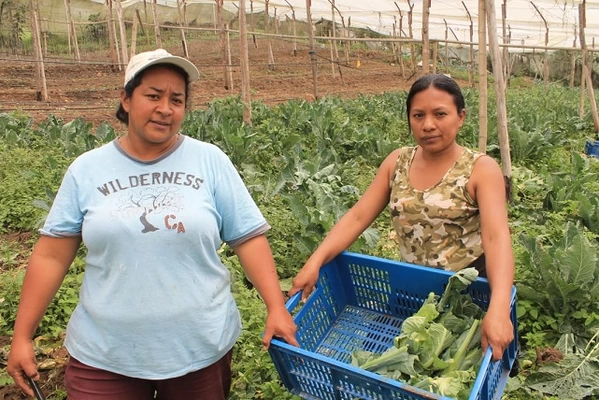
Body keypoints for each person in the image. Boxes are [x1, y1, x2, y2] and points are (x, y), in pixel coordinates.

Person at [7, 48, 298, 400]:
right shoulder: (87, 169)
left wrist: (275, 307)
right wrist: (22, 337)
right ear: (126, 99)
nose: (165, 108)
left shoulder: (210, 160)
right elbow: (51, 256)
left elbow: (248, 238)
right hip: (104, 354)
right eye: (153, 95)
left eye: (177, 99)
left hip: (199, 348)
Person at [289, 73, 514, 362]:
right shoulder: (397, 162)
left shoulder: (481, 169)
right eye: (418, 115)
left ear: (461, 117)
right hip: (411, 285)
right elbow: (357, 217)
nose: (428, 125)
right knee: (386, 364)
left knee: (461, 368)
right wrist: (315, 262)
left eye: (440, 114)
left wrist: (498, 309)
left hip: (468, 293)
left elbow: (497, 238)